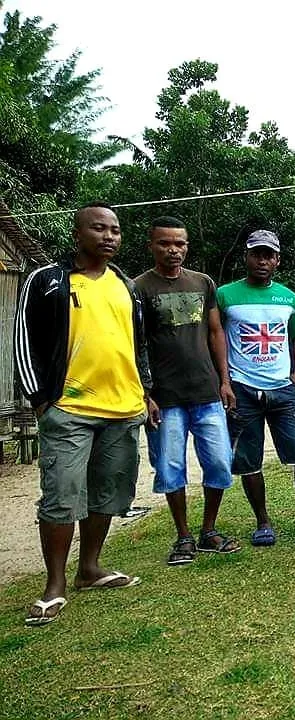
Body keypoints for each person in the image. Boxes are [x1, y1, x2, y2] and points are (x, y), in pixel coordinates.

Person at [15, 202, 149, 626]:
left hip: (123, 408)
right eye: (99, 228)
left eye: (115, 230)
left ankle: (90, 569)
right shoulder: (48, 281)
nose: (109, 236)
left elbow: (137, 344)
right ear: (77, 233)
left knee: (108, 493)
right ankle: (53, 587)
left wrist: (144, 391)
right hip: (69, 409)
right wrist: (40, 400)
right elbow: (21, 339)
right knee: (62, 497)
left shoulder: (126, 285)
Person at [217, 230, 295, 548]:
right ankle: (262, 522)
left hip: (282, 390)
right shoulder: (225, 295)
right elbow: (214, 337)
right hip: (243, 389)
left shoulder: (289, 298)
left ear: (277, 260)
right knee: (249, 460)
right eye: (256, 254)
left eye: (268, 255)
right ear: (246, 257)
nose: (262, 260)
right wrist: (226, 382)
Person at [135, 216, 239, 565]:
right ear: (151, 245)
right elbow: (136, 344)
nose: (173, 250)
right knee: (170, 467)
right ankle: (183, 536)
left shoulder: (203, 282)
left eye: (179, 243)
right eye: (165, 243)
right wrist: (145, 393)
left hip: (207, 391)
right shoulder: (138, 288)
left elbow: (215, 334)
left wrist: (224, 380)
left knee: (221, 463)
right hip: (165, 398)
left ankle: (209, 530)